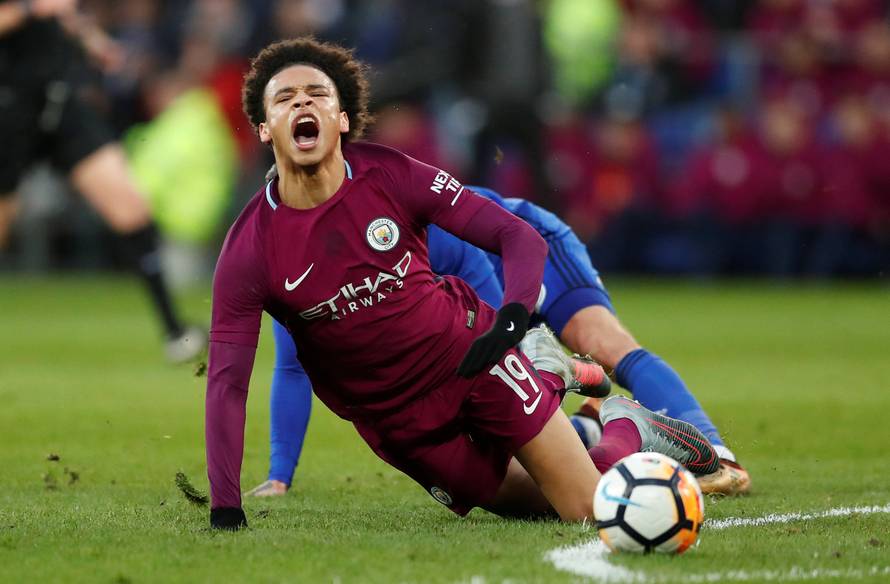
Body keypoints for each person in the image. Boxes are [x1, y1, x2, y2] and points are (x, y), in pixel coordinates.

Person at [205, 37, 719, 530]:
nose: (302, 104)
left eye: (317, 94)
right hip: (399, 425)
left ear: (341, 119)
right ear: (264, 128)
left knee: (587, 508)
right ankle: (605, 414)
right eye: (284, 99)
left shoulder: (392, 176)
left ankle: (613, 416)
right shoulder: (250, 249)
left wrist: (512, 319)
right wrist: (226, 506)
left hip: (474, 359)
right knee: (533, 504)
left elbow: (516, 236)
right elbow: (228, 381)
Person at [245, 186, 749, 499]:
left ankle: (719, 452)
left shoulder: (379, 213)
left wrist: (514, 351)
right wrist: (279, 474)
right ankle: (604, 424)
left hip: (520, 245)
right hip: (470, 301)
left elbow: (471, 259)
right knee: (529, 477)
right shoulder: (297, 263)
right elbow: (293, 365)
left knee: (599, 341)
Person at [0, 0, 205, 362]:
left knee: (131, 207)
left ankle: (175, 332)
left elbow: (62, 15)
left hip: (59, 103)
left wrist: (95, 43)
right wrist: (31, 10)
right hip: (9, 110)